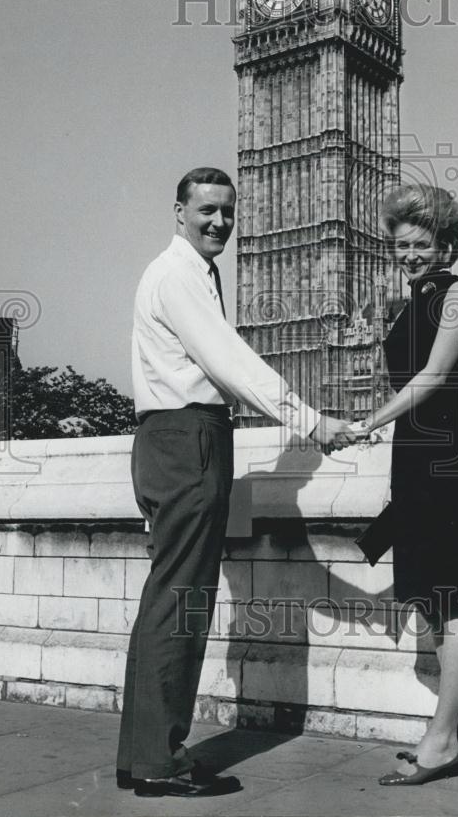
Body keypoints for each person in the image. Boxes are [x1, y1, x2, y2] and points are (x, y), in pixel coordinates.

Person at [117, 167, 354, 798]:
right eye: (207, 211)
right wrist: (309, 421)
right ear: (179, 213)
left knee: (164, 597)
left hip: (167, 440)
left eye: (228, 211)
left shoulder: (186, 272)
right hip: (188, 439)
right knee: (181, 602)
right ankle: (161, 764)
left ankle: (140, 754)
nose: (220, 222)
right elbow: (232, 363)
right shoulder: (178, 276)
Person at [355, 184, 458, 787]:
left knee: (457, 596)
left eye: (421, 244)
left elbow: (438, 375)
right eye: (401, 245)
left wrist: (366, 422)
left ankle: (439, 743)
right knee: (434, 597)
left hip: (447, 454)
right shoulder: (415, 299)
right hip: (418, 455)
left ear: (447, 244)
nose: (410, 254)